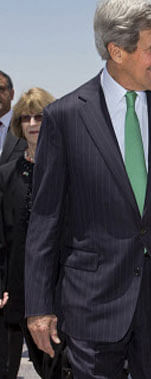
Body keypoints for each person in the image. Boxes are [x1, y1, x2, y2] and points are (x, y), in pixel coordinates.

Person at [24, 0, 151, 379]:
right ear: (117, 51)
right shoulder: (64, 117)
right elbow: (45, 219)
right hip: (92, 302)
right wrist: (39, 304)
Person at [0, 88, 57, 379]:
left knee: (57, 367)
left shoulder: (68, 170)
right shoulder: (6, 175)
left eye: (40, 117)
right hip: (17, 291)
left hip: (61, 292)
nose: (33, 124)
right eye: (26, 118)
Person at [0, 71, 27, 379]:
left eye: (0, 89)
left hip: (16, 243)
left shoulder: (25, 133)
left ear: (11, 93)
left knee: (12, 326)